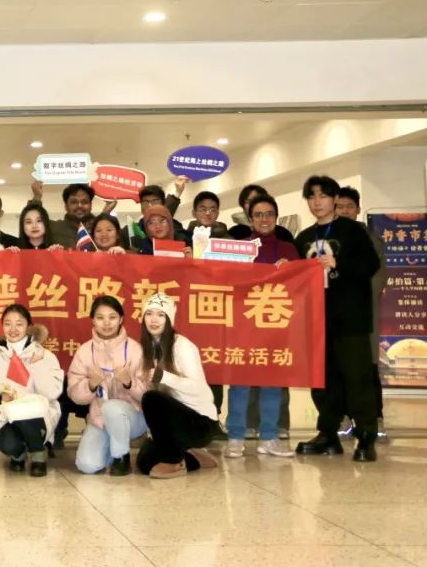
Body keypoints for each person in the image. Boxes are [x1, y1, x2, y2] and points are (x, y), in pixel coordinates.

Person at [294, 175, 381, 462]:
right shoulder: (303, 238)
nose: (317, 202)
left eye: (323, 196)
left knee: (357, 378)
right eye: (312, 196)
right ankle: (328, 434)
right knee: (323, 380)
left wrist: (338, 263)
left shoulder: (353, 231)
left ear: (334, 199)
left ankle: (366, 435)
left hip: (350, 318)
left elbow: (371, 264)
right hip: (316, 321)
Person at [224, 194, 298, 460]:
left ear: (276, 217)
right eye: (258, 215)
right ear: (250, 219)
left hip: (276, 324)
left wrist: (292, 269)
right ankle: (235, 437)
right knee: (240, 384)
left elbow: (300, 286)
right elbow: (223, 279)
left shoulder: (289, 249)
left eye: (269, 214)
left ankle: (269, 437)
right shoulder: (239, 248)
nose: (264, 219)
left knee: (273, 383)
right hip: (243, 325)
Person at [135, 293, 220, 479]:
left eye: (160, 314)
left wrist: (165, 377)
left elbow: (198, 388)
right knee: (144, 462)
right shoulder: (149, 347)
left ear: (169, 319)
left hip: (199, 422)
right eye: (149, 314)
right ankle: (195, 458)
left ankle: (174, 463)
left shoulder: (182, 346)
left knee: (152, 399)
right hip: (174, 423)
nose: (154, 320)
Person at [0, 304, 64, 476]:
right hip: (8, 418)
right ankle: (20, 452)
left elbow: (52, 394)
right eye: (8, 324)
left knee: (25, 414)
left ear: (29, 326)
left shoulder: (45, 355)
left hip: (39, 417)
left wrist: (37, 365)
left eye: (19, 324)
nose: (13, 329)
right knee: (8, 444)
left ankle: (38, 451)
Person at [69, 296, 148, 476]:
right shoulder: (84, 351)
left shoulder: (136, 350)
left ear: (121, 319)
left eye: (112, 317)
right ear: (93, 321)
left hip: (133, 418)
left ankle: (121, 457)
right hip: (100, 419)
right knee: (87, 465)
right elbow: (75, 395)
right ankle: (112, 450)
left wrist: (130, 383)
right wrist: (90, 385)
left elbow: (149, 395)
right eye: (100, 317)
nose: (106, 323)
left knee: (113, 407)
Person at [336, 185, 387, 437]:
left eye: (349, 206)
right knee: (339, 367)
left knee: (367, 367)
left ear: (358, 209)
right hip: (336, 314)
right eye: (340, 206)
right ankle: (343, 417)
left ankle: (375, 418)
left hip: (362, 312)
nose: (345, 211)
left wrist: (356, 295)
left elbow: (378, 275)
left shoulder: (371, 239)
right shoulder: (328, 238)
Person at [29, 182, 112, 248]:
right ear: (66, 206)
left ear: (91, 205)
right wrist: (37, 197)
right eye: (74, 202)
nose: (79, 205)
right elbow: (32, 222)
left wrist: (105, 214)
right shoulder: (54, 228)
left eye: (84, 202)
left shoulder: (98, 229)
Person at [228, 185, 296, 242]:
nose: (253, 204)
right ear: (243, 207)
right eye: (248, 201)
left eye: (257, 199)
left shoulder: (283, 233)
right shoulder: (234, 233)